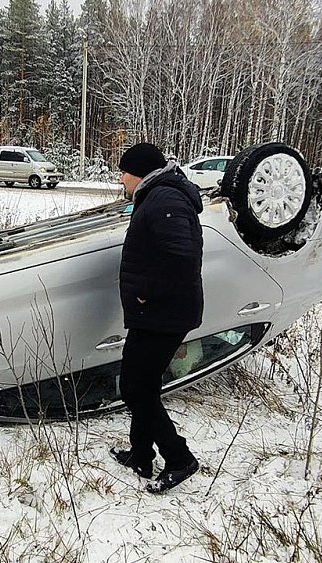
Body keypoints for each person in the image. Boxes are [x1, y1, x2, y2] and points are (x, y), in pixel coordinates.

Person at [110, 142, 204, 494]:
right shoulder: (157, 196)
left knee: (135, 388)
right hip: (156, 312)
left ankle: (179, 458)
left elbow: (180, 256)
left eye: (123, 172)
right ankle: (140, 455)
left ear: (139, 172)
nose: (120, 179)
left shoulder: (165, 199)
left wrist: (145, 291)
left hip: (164, 312)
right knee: (142, 386)